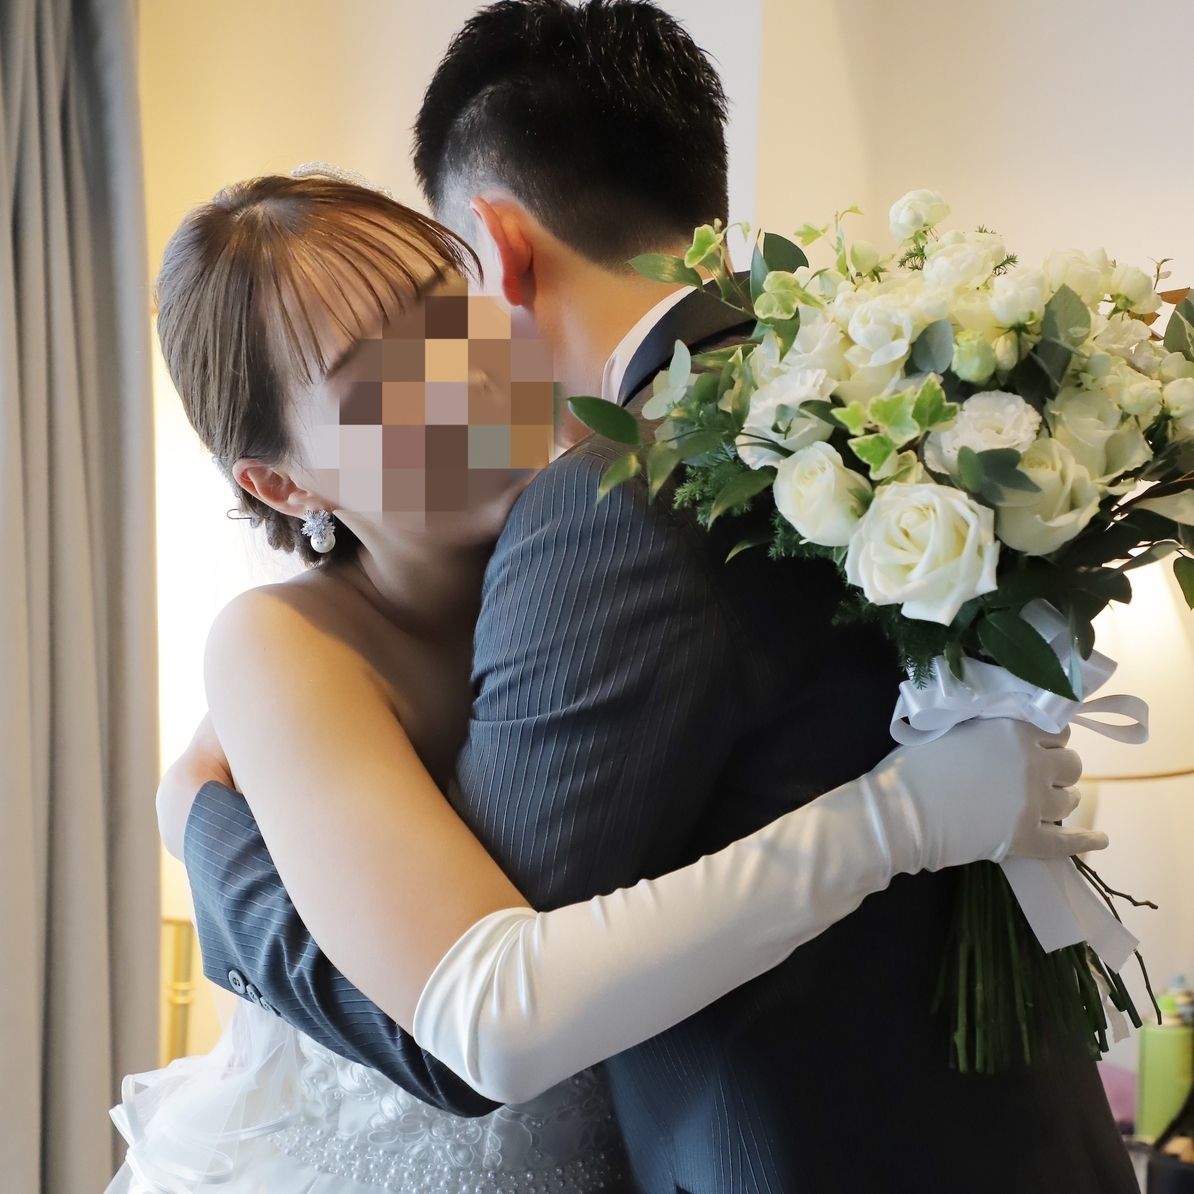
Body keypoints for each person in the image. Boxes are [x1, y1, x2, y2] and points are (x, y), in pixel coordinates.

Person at [157, 3, 1140, 1192]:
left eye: (440, 307)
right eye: (374, 375)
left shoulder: (667, 468)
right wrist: (199, 823)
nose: (456, 373)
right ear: (280, 482)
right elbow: (473, 1025)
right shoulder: (286, 643)